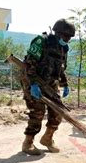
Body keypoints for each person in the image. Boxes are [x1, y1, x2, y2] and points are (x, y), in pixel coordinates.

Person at [21, 18, 75, 155]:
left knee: (58, 112)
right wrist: (33, 84)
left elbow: (61, 68)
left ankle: (47, 138)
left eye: (69, 37)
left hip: (51, 83)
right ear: (57, 33)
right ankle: (28, 143)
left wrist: (65, 83)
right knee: (37, 112)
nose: (67, 39)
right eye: (66, 36)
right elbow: (29, 64)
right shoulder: (41, 41)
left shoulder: (63, 48)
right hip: (33, 80)